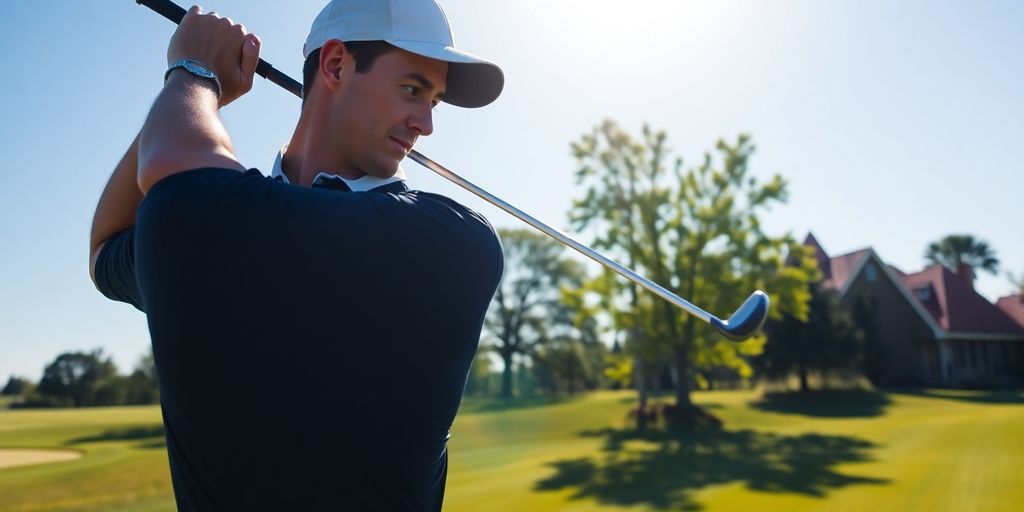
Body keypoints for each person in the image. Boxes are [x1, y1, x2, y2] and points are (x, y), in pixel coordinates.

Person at [88, 0, 505, 509]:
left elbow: (153, 192)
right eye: (413, 89)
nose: (425, 124)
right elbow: (116, 243)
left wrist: (193, 77)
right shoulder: (207, 217)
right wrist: (190, 87)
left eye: (433, 101)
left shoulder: (452, 245)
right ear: (334, 65)